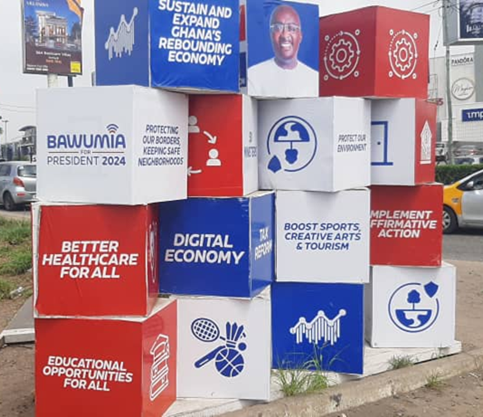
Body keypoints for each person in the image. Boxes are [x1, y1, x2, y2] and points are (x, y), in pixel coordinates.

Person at [247, 4, 318, 98]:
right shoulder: (254, 76)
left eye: (291, 28)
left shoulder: (314, 79)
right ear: (271, 35)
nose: (285, 35)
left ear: (300, 36)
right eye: (278, 28)